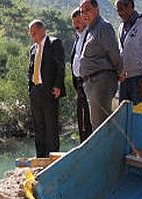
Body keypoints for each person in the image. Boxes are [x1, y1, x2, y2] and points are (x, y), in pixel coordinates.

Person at [79, 0, 122, 130]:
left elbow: (113, 51)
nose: (84, 14)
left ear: (97, 9)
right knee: (97, 124)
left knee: (101, 126)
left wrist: (120, 71)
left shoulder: (103, 27)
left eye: (87, 9)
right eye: (82, 11)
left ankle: (108, 151)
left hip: (101, 81)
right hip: (92, 83)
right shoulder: (90, 30)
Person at [27, 19, 65, 158]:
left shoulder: (54, 43)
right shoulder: (33, 48)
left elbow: (60, 66)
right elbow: (30, 70)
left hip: (49, 90)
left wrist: (58, 86)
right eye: (31, 34)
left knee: (51, 127)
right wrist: (30, 88)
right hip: (35, 91)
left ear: (42, 30)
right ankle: (40, 157)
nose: (33, 36)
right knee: (38, 127)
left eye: (35, 33)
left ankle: (53, 159)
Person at [71, 8, 93, 143]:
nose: (76, 25)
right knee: (81, 120)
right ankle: (83, 146)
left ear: (85, 20)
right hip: (79, 85)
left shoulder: (91, 35)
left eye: (78, 21)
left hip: (90, 82)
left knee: (89, 119)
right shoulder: (77, 38)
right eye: (73, 22)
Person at [115, 0, 142, 105]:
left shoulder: (140, 24)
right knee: (125, 112)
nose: (119, 13)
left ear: (130, 6)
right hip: (124, 78)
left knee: (139, 112)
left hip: (138, 79)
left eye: (121, 9)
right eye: (117, 10)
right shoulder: (121, 26)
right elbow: (121, 51)